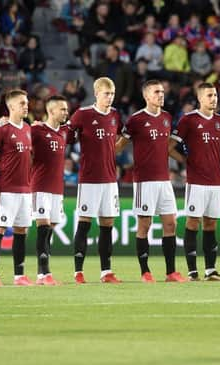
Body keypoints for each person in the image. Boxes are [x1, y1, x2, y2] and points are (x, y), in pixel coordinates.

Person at [116, 79, 186, 283]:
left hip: (164, 179)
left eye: (162, 92)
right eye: (156, 92)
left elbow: (164, 147)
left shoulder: (166, 117)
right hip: (144, 180)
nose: (161, 95)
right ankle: (145, 271)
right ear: (147, 96)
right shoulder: (136, 120)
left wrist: (182, 161)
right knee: (144, 224)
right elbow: (120, 145)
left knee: (171, 223)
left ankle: (171, 272)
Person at [173, 82, 220, 281]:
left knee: (210, 224)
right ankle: (192, 271)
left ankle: (210, 270)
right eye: (209, 95)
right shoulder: (188, 120)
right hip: (196, 181)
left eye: (215, 95)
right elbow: (169, 147)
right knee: (192, 221)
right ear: (200, 98)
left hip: (216, 180)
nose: (213, 98)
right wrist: (185, 161)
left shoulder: (219, 121)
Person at [67, 77, 123, 284]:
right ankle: (78, 271)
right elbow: (66, 135)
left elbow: (122, 137)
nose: (110, 98)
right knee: (84, 223)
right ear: (97, 93)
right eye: (106, 94)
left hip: (110, 180)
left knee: (107, 224)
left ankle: (106, 271)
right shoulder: (83, 114)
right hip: (89, 179)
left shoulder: (115, 115)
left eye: (112, 94)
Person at [0, 89, 32, 287]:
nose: (26, 105)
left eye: (26, 102)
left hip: (25, 190)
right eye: (22, 103)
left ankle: (19, 275)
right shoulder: (0, 130)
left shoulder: (28, 128)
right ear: (11, 106)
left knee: (21, 231)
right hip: (6, 189)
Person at [30, 95, 70, 286]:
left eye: (66, 109)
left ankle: (41, 274)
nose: (66, 112)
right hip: (40, 187)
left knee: (49, 231)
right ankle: (45, 274)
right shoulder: (37, 129)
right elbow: (18, 134)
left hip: (57, 189)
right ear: (51, 110)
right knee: (43, 228)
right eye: (62, 109)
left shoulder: (63, 132)